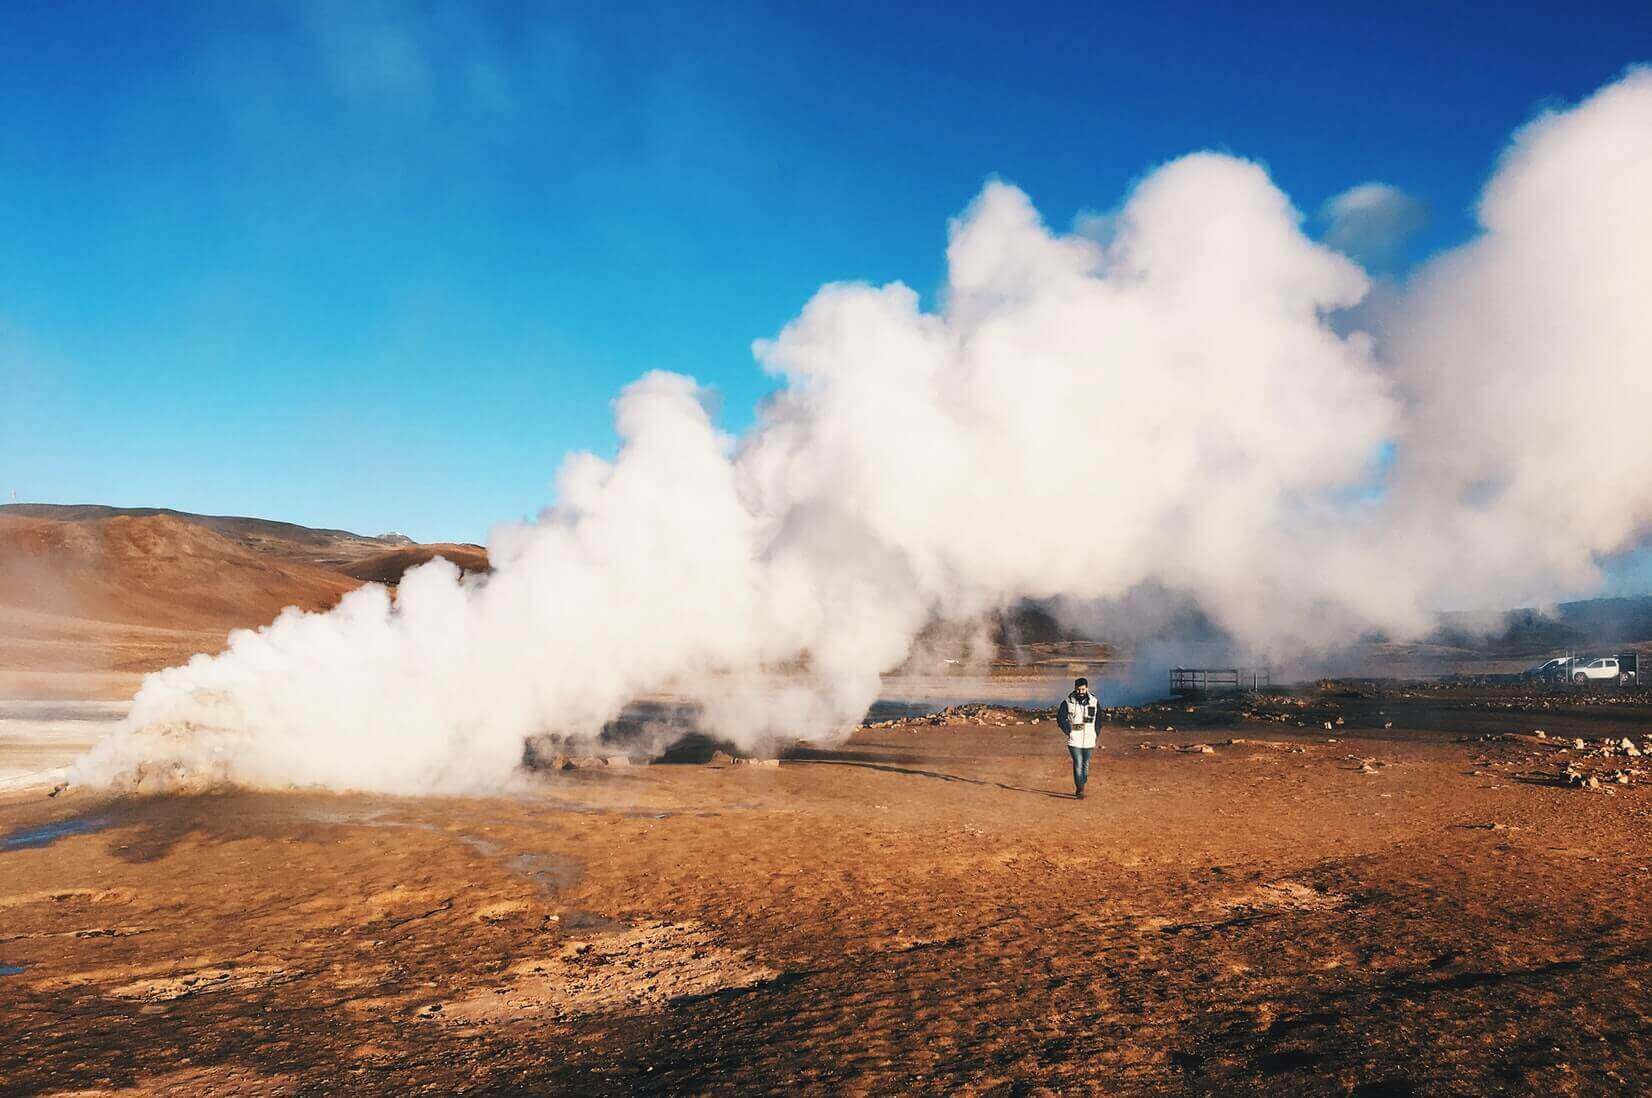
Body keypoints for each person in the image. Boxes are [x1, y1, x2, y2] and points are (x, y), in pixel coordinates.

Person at [1056, 677, 1100, 799]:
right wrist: (1068, 731)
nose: (1081, 692)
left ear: (1087, 688)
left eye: (1083, 689)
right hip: (1074, 738)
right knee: (1078, 762)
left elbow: (1099, 718)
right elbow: (1060, 718)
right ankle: (1079, 789)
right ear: (1075, 689)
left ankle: (1082, 783)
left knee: (1086, 764)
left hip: (1089, 738)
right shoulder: (1068, 702)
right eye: (1078, 689)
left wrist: (1096, 732)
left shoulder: (1093, 701)